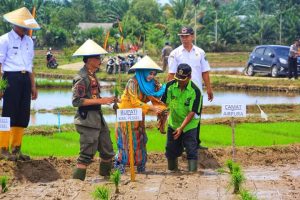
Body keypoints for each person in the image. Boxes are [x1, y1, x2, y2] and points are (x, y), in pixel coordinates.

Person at [114, 56, 167, 173]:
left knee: (140, 141)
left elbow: (159, 94)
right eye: (150, 73)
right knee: (126, 142)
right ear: (143, 72)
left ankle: (141, 168)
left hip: (139, 116)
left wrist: (165, 89)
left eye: (154, 74)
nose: (152, 76)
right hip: (126, 117)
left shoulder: (151, 83)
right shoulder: (132, 83)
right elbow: (134, 101)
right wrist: (151, 107)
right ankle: (120, 169)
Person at [72, 39, 116, 181]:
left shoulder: (92, 75)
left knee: (107, 150)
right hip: (87, 121)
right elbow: (76, 101)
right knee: (86, 155)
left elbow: (94, 96)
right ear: (89, 60)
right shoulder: (82, 77)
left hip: (98, 118)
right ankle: (77, 184)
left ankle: (106, 180)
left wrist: (109, 100)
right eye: (98, 58)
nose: (100, 61)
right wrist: (102, 101)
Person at [0, 7, 40, 161]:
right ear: (16, 25)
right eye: (24, 26)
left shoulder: (29, 41)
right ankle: (3, 148)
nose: (26, 29)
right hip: (10, 79)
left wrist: (33, 85)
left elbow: (30, 65)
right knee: (8, 114)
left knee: (22, 115)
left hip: (25, 80)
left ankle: (16, 149)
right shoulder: (4, 40)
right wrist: (1, 86)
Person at [167, 26, 213, 150]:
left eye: (186, 36)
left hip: (196, 92)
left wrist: (209, 88)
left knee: (196, 116)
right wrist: (169, 93)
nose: (184, 39)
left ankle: (195, 143)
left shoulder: (200, 52)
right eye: (182, 36)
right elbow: (171, 74)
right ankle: (180, 144)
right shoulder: (175, 53)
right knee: (178, 116)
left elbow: (205, 72)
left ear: (192, 36)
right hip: (180, 92)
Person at [162, 63, 202, 172]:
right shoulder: (170, 86)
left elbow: (192, 112)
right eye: (178, 78)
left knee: (191, 149)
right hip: (174, 123)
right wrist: (162, 121)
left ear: (189, 77)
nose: (179, 81)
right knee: (170, 150)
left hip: (190, 125)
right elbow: (165, 105)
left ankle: (192, 173)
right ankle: (172, 170)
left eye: (182, 79)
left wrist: (182, 128)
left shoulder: (195, 91)